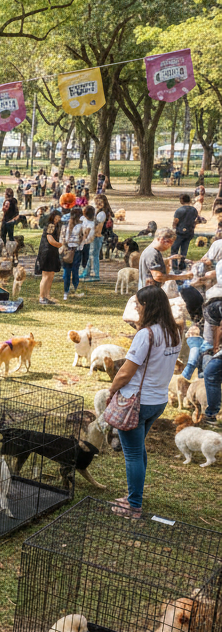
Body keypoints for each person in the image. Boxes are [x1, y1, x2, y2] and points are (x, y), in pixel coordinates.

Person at [106, 286, 181, 519]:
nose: (136, 307)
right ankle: (133, 496)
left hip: (136, 402)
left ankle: (134, 505)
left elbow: (125, 373)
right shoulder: (174, 331)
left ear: (148, 306)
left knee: (133, 455)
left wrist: (111, 391)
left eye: (138, 304)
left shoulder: (146, 334)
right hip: (158, 401)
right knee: (138, 449)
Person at [139, 227, 202, 321]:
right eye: (169, 242)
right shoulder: (152, 253)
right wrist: (183, 276)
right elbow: (158, 276)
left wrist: (168, 261)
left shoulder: (155, 252)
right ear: (161, 239)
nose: (170, 246)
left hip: (152, 293)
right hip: (149, 296)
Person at [37, 209, 63, 305]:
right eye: (56, 218)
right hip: (47, 252)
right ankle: (42, 297)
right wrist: (60, 244)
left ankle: (47, 296)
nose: (57, 220)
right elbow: (50, 239)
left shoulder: (56, 225)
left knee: (51, 275)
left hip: (53, 252)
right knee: (46, 276)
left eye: (58, 218)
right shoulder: (51, 225)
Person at [61, 208, 84, 301]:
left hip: (67, 250)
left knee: (66, 272)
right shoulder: (81, 226)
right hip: (76, 250)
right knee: (75, 271)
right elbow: (82, 239)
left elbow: (62, 238)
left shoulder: (65, 225)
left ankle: (65, 292)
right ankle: (75, 289)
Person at [172, 193, 198, 271]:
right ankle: (182, 263)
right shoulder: (194, 210)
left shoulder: (179, 210)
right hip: (189, 231)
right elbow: (195, 220)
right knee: (184, 248)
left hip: (180, 232)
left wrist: (173, 228)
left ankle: (174, 264)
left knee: (175, 248)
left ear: (181, 201)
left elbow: (176, 221)